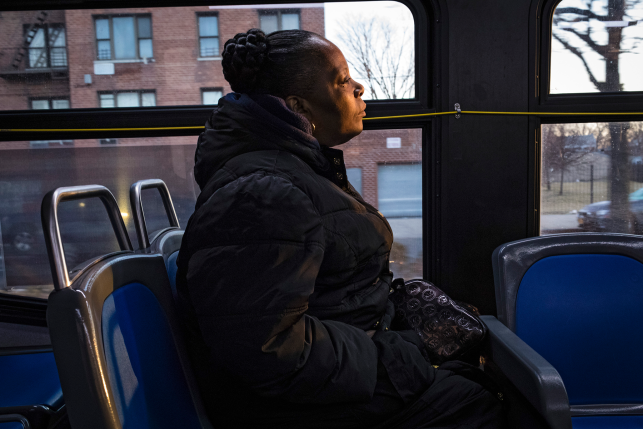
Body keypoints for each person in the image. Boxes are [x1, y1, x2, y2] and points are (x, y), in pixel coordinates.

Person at [175, 28, 505, 429]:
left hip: (343, 371)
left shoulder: (296, 171)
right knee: (482, 398)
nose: (359, 88)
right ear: (300, 107)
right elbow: (266, 348)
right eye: (343, 80)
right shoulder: (263, 193)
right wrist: (396, 354)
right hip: (294, 409)